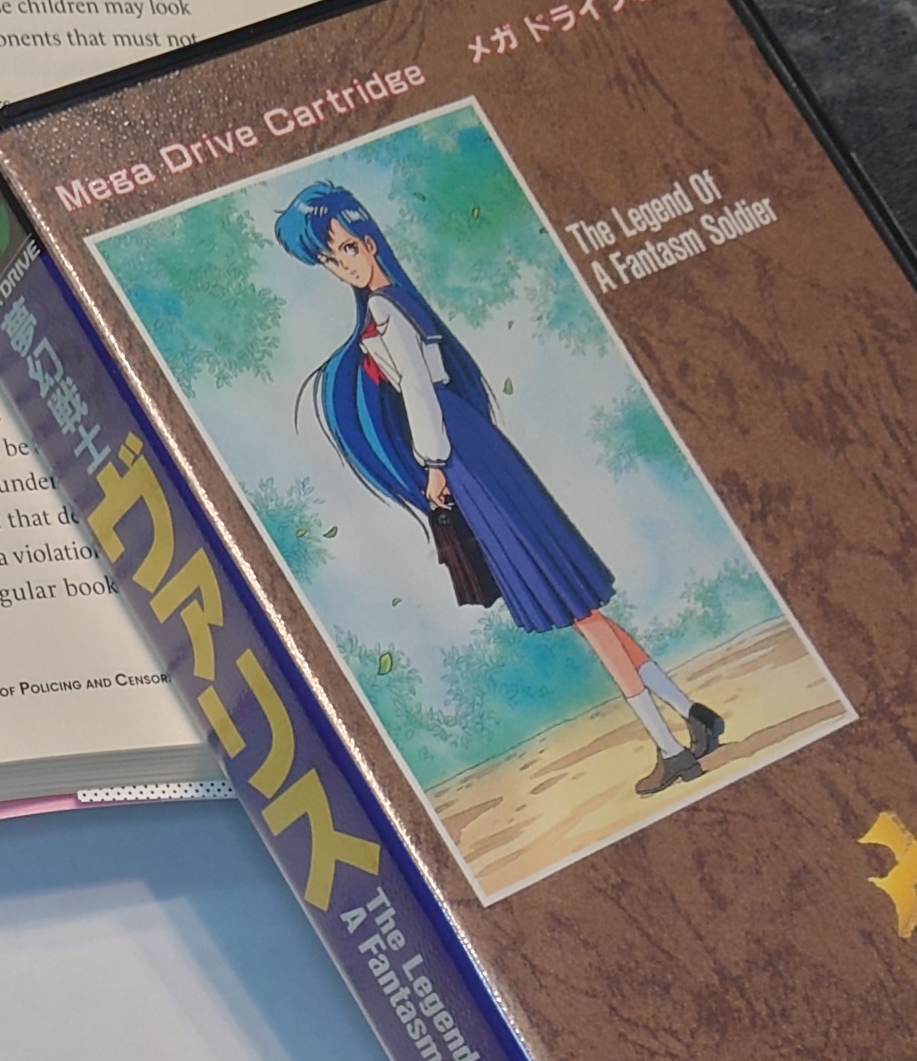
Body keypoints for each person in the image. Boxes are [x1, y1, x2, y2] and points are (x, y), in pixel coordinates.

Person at [279, 181, 726, 792]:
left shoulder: (386, 311)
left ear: (370, 241)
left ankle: (671, 747)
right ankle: (692, 716)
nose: (342, 266)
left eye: (347, 249)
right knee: (583, 608)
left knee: (580, 613)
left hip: (463, 455)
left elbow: (419, 393)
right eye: (330, 260)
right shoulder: (401, 302)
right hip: (475, 446)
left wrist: (433, 466)